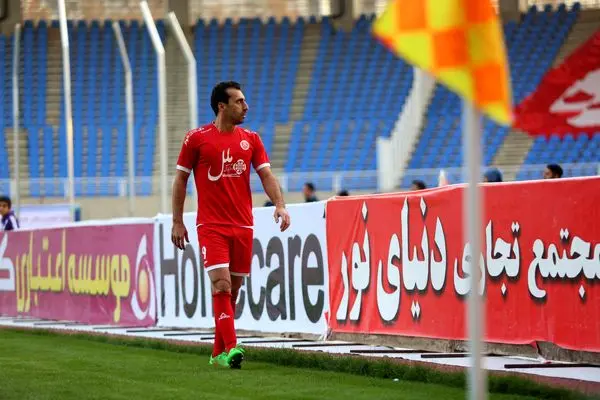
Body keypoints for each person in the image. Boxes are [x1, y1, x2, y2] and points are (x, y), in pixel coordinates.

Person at [171, 81, 291, 369]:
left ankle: (217, 353)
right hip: (211, 225)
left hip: (243, 226)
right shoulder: (196, 139)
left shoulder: (251, 139)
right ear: (221, 106)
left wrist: (279, 205)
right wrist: (177, 221)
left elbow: (266, 175)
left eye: (244, 101)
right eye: (239, 101)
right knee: (222, 284)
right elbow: (181, 180)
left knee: (231, 291)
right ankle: (233, 347)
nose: (246, 107)